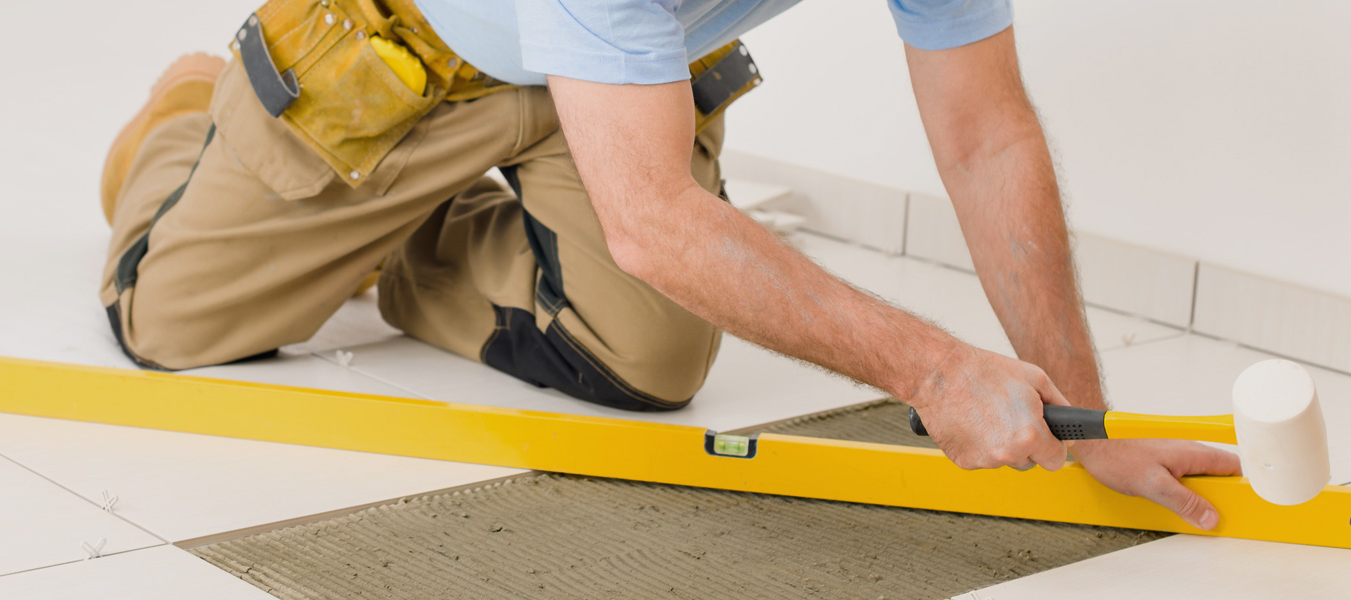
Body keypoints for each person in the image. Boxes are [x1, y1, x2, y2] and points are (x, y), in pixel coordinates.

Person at [96, 0, 1240, 529]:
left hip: (617, 83)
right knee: (171, 323)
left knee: (645, 356)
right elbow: (649, 220)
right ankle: (192, 112)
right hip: (414, 55)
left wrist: (1092, 417)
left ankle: (383, 241)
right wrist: (937, 372)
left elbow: (987, 135)